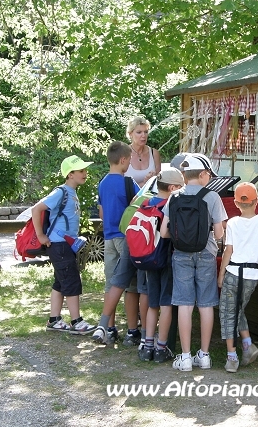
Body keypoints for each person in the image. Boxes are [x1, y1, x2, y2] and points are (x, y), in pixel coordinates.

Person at [160, 153, 228, 371]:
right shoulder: (213, 197)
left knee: (184, 304)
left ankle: (186, 356)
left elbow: (163, 233)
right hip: (207, 253)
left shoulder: (174, 197)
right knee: (206, 303)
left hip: (180, 254)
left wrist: (183, 237)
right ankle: (205, 355)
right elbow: (218, 234)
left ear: (184, 175)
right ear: (202, 174)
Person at [32, 155, 96, 335]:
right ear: (70, 175)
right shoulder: (61, 192)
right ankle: (77, 322)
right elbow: (36, 209)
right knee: (71, 281)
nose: (85, 173)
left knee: (60, 282)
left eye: (85, 170)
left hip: (64, 245)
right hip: (58, 245)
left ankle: (54, 320)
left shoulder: (72, 193)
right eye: (81, 171)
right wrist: (41, 235)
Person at [218, 182, 258, 373]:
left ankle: (232, 357)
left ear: (236, 203)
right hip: (253, 275)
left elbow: (228, 251)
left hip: (234, 272)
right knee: (238, 308)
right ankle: (247, 344)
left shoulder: (233, 223)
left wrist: (221, 274)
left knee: (228, 312)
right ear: (256, 202)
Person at [137, 167, 185, 363]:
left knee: (152, 303)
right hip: (166, 258)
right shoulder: (171, 205)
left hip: (148, 258)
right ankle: (161, 347)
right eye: (180, 187)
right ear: (173, 187)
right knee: (166, 304)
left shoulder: (146, 202)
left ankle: (147, 345)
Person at [96, 141, 141, 344]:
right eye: (129, 159)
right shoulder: (128, 183)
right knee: (130, 285)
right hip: (125, 238)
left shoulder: (103, 182)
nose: (130, 163)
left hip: (108, 237)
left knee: (111, 283)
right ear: (123, 160)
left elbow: (102, 211)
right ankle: (132, 330)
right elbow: (140, 204)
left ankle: (110, 329)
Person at [125, 116, 161, 187]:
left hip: (151, 196)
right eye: (139, 132)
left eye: (146, 132)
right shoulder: (123, 153)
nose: (143, 135)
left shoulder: (154, 153)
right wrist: (144, 184)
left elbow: (160, 183)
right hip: (128, 197)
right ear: (130, 134)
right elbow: (119, 185)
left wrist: (153, 179)